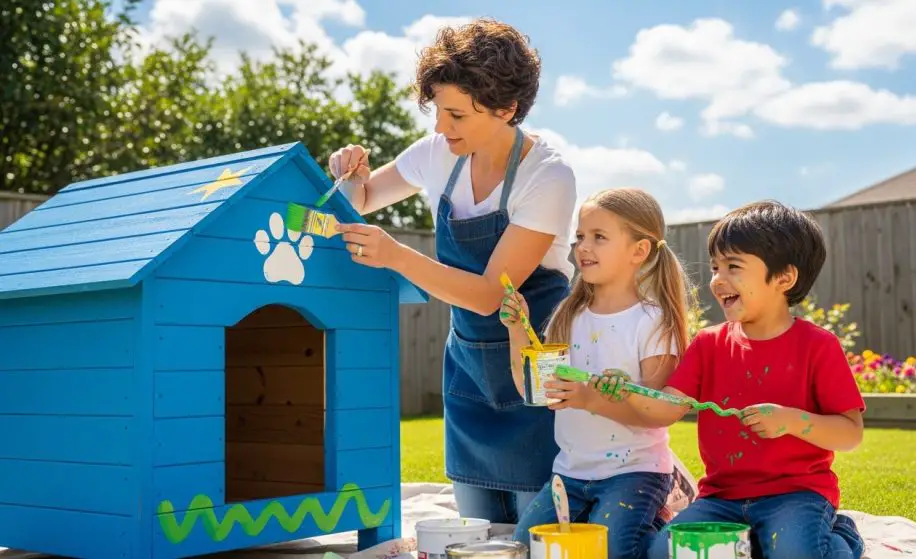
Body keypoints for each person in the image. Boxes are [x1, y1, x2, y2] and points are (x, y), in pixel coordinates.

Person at [326, 18, 577, 523]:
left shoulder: (547, 176)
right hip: (467, 366)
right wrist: (347, 174)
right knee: (475, 533)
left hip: (533, 364)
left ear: (507, 109)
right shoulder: (437, 155)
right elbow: (363, 200)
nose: (441, 127)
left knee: (538, 531)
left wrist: (397, 255)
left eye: (457, 114)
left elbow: (489, 295)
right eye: (439, 110)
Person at [594, 200, 866, 559]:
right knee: (664, 553)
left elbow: (850, 433)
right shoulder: (709, 344)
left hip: (797, 494)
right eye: (714, 267)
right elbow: (668, 408)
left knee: (794, 552)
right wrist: (626, 391)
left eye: (733, 267)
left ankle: (841, 536)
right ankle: (755, 541)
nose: (717, 280)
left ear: (784, 278)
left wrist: (790, 421)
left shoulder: (819, 346)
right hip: (721, 498)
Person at [500, 188, 692, 559]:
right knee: (524, 550)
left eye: (598, 237)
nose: (582, 247)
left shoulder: (653, 322)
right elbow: (533, 388)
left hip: (637, 473)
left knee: (615, 550)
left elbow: (656, 412)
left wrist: (592, 399)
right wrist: (516, 330)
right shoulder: (568, 316)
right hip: (570, 474)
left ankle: (661, 520)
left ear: (639, 251)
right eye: (580, 238)